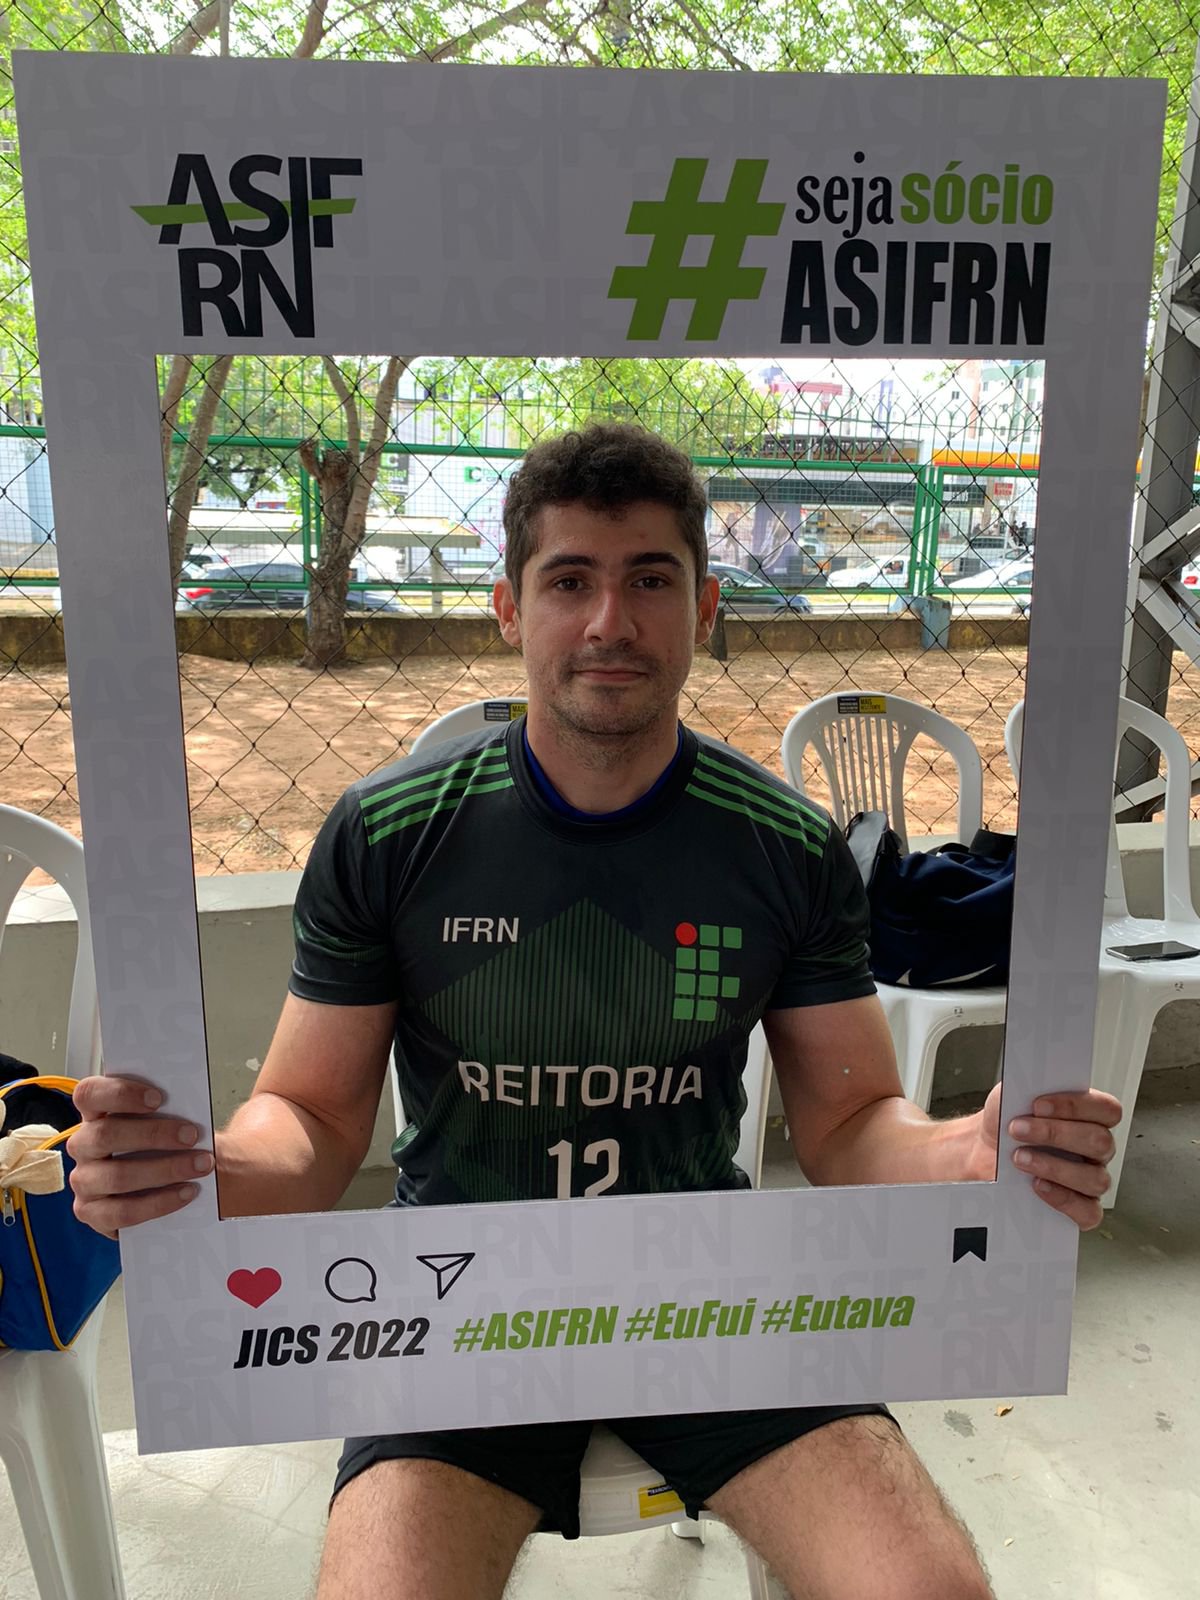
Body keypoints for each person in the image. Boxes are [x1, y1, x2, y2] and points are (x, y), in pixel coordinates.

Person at [68, 423, 1119, 1600]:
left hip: (710, 1293)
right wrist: (198, 1169)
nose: (610, 621)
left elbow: (849, 1120)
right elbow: (309, 1119)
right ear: (508, 609)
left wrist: (969, 1153)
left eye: (649, 580)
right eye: (569, 580)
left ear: (704, 607)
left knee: (931, 1590)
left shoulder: (783, 845)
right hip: (455, 1300)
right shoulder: (389, 832)